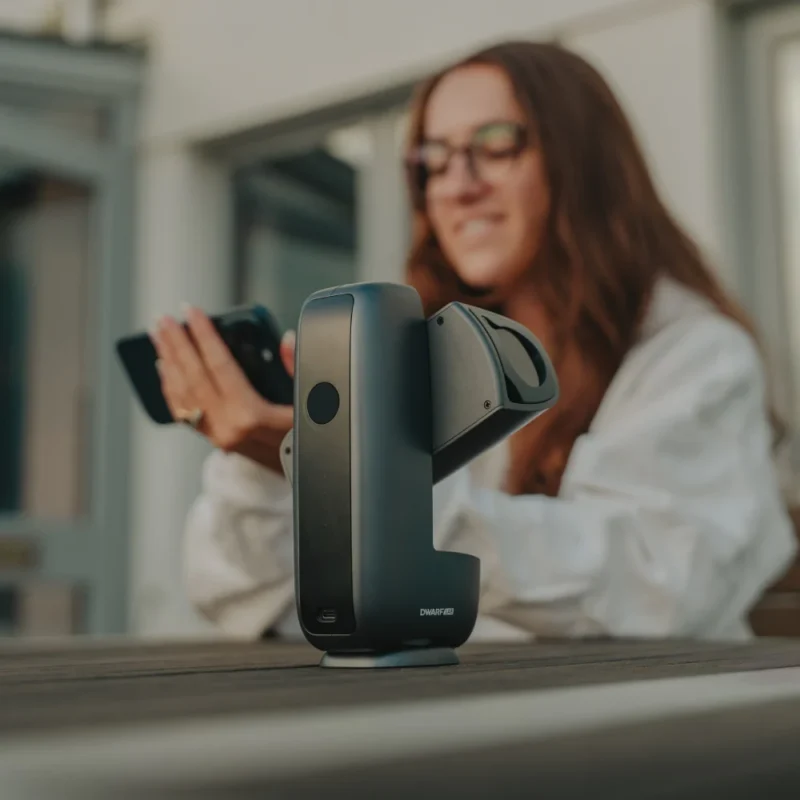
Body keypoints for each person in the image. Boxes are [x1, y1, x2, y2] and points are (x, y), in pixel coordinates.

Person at [151, 40, 797, 642]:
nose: (457, 186)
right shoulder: (422, 361)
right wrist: (272, 462)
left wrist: (372, 483)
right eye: (432, 160)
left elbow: (654, 582)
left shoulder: (696, 357)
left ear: (583, 164)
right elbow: (240, 597)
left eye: (495, 145)